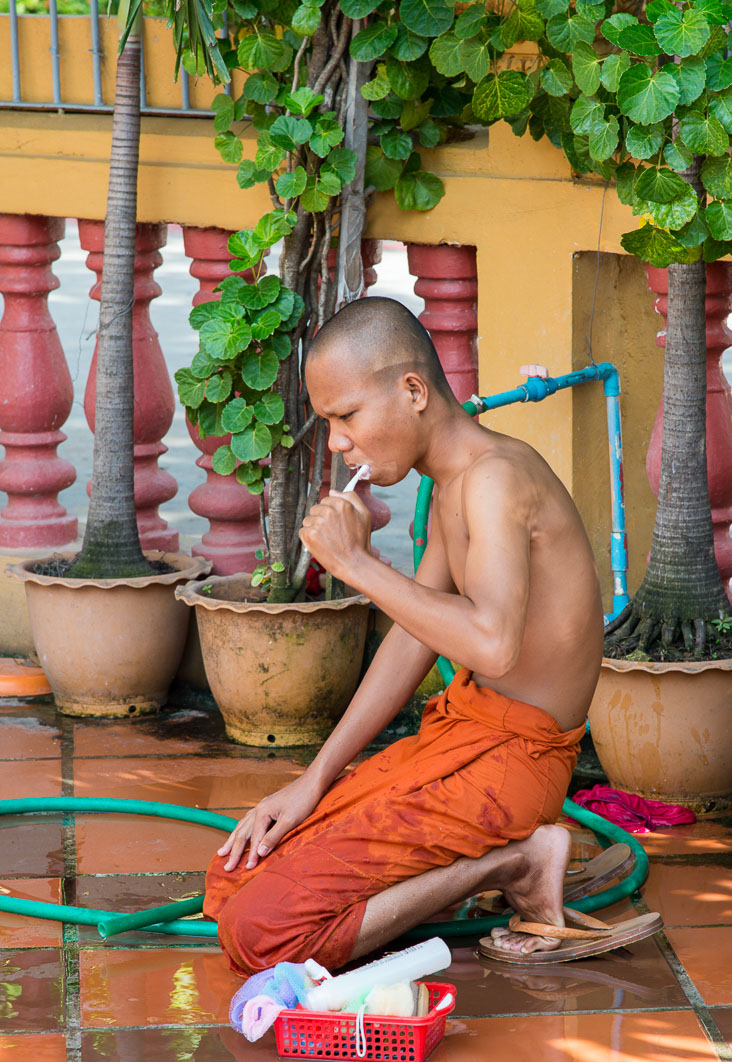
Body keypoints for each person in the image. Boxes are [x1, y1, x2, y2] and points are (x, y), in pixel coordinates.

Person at [203, 296, 606, 973]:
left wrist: (358, 565)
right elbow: (411, 641)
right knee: (233, 880)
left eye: (346, 416)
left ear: (413, 390)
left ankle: (519, 859)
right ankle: (500, 861)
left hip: (511, 766)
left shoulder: (493, 480)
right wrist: (314, 780)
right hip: (465, 739)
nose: (336, 443)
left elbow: (492, 644)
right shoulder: (454, 479)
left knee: (260, 935)